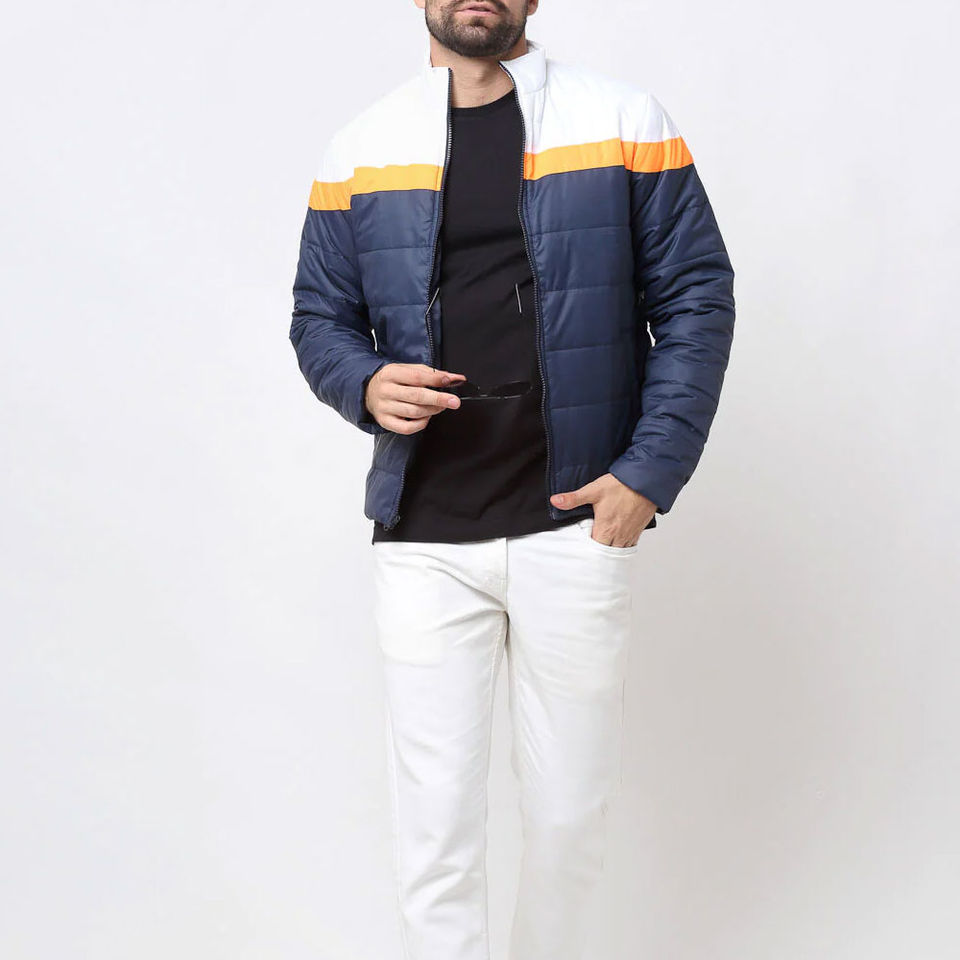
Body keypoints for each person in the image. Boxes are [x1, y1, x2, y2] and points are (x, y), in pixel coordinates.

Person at [289, 2, 735, 957]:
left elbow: (697, 297)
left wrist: (648, 472)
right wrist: (362, 382)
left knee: (571, 818)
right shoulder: (363, 145)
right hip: (423, 530)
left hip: (573, 520)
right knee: (435, 828)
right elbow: (319, 316)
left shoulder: (625, 120)